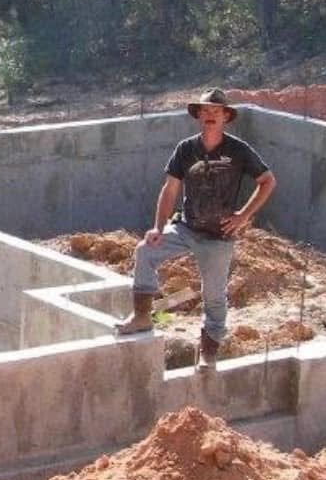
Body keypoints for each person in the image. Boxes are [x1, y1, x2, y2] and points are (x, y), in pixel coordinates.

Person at [114, 88, 277, 370]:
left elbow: (267, 181)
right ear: (198, 116)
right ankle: (142, 316)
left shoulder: (238, 150)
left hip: (219, 237)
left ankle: (208, 354)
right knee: (145, 252)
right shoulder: (186, 149)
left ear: (226, 116)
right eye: (205, 111)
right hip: (186, 228)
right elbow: (170, 189)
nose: (210, 115)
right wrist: (158, 228)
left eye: (216, 111)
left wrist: (243, 216)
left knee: (213, 297)